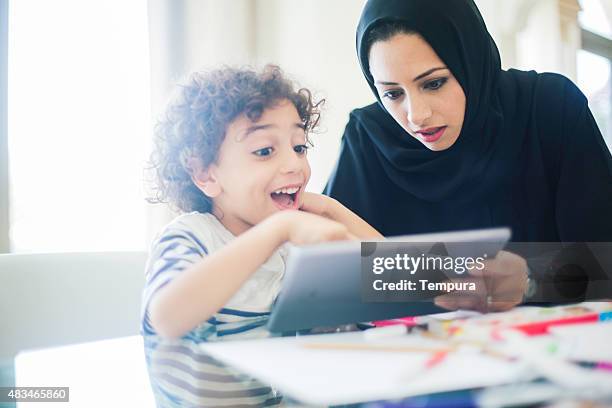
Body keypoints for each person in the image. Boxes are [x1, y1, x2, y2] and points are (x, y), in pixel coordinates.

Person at [325, 0, 612, 311]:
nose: (416, 115)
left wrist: (533, 278)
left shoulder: (550, 108)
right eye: (393, 94)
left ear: (469, 60)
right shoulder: (368, 136)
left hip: (548, 345)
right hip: (415, 350)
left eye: (434, 83)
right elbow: (331, 271)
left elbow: (606, 261)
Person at [141, 65, 382, 406]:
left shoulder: (293, 248)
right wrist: (278, 229)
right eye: (265, 151)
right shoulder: (190, 237)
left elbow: (414, 279)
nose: (295, 165)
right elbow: (167, 317)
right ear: (205, 174)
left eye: (299, 147)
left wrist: (331, 209)